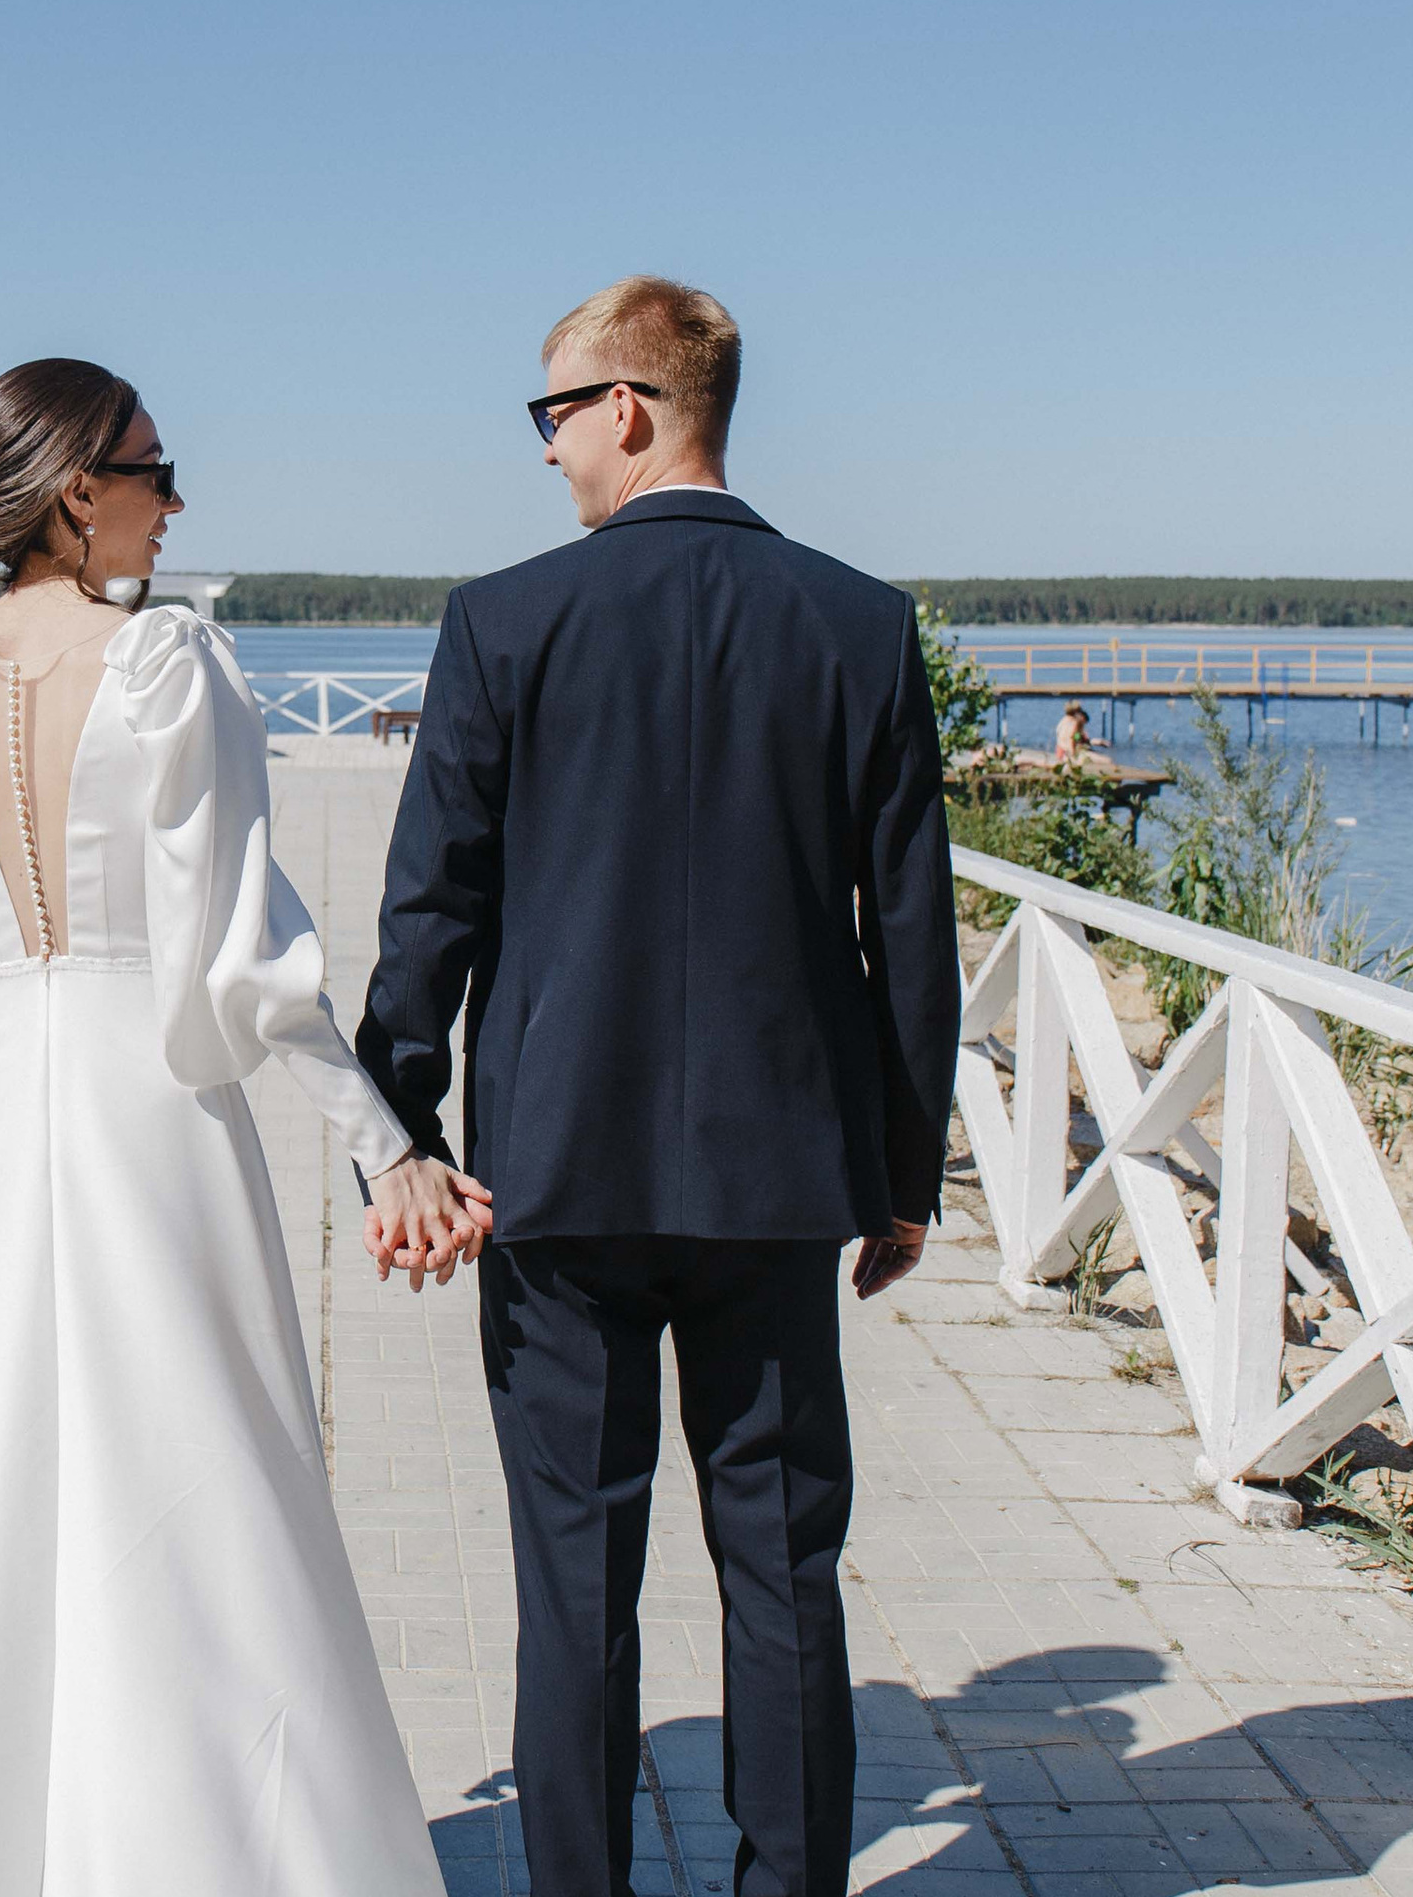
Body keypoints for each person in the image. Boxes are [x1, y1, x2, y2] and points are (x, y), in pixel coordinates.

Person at [0, 358, 488, 1896]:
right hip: (154, 1115)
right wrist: (386, 1144)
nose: (177, 503)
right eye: (156, 471)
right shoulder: (167, 668)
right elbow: (247, 961)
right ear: (74, 493)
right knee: (198, 1473)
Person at [354, 277, 961, 1897]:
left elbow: (435, 909)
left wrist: (397, 1134)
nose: (546, 452)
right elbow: (910, 936)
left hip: (554, 1177)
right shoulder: (857, 623)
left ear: (629, 406)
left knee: (574, 1584)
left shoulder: (504, 623)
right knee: (782, 1572)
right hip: (777, 1185)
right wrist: (905, 1172)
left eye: (552, 415)